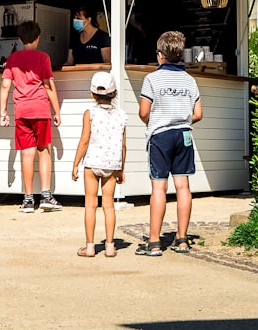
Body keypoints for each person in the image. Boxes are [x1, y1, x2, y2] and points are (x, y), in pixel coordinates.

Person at [136, 30, 203, 257]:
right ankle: (182, 239)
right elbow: (199, 113)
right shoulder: (190, 80)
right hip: (183, 134)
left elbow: (144, 111)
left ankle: (154, 241)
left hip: (160, 135)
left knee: (159, 187)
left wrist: (153, 121)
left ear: (160, 55)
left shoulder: (152, 79)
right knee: (183, 186)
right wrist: (181, 119)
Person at [0, 20, 62, 213]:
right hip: (41, 110)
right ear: (38, 38)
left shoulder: (12, 59)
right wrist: (57, 111)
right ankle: (45, 196)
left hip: (22, 111)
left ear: (19, 39)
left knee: (27, 153)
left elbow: (5, 86)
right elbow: (48, 85)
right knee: (44, 151)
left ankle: (27, 200)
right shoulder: (43, 57)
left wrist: (3, 112)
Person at [71, 71, 126, 257]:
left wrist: (75, 163)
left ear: (92, 94)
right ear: (115, 93)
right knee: (109, 206)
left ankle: (90, 247)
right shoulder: (121, 115)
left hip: (92, 162)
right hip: (112, 164)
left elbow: (84, 140)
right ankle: (110, 246)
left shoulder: (90, 113)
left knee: (90, 205)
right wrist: (121, 169)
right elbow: (123, 145)